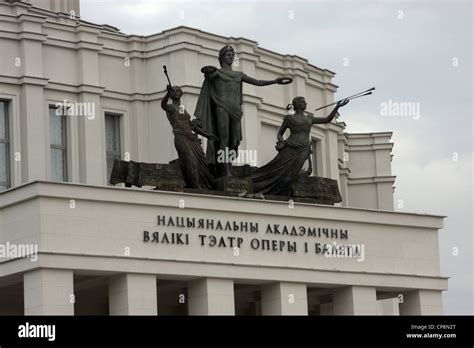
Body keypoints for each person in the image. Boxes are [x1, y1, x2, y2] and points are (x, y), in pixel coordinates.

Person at [194, 45, 292, 177]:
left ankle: (228, 166)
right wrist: (208, 71)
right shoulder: (217, 73)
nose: (231, 57)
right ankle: (226, 171)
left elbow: (256, 82)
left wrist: (274, 81)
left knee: (234, 141)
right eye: (228, 54)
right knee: (224, 139)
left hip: (236, 110)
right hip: (222, 107)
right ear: (221, 57)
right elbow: (207, 74)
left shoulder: (238, 75)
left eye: (232, 54)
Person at [247, 96, 349, 195]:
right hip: (290, 146)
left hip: (303, 148)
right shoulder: (289, 118)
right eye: (303, 101)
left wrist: (337, 107)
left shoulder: (309, 119)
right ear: (297, 104)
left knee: (292, 172)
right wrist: (281, 141)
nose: (305, 103)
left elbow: (327, 119)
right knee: (277, 167)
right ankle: (260, 185)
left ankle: (280, 190)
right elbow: (280, 133)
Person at [161, 85, 216, 190]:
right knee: (190, 161)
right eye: (173, 91)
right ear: (171, 94)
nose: (175, 92)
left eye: (177, 91)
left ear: (181, 93)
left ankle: (205, 186)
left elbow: (191, 125)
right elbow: (163, 105)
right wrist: (167, 93)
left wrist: (207, 135)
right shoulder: (171, 108)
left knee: (201, 162)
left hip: (192, 139)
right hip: (181, 138)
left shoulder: (182, 110)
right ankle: (195, 186)